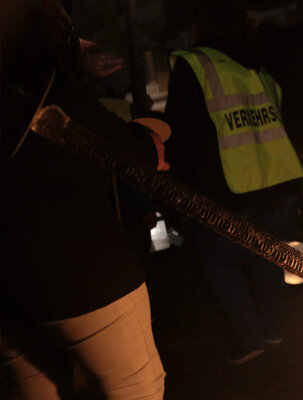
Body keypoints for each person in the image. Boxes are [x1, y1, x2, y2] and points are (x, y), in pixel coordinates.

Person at [0, 1, 167, 398]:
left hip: (9, 281)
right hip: (83, 277)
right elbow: (138, 157)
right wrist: (152, 137)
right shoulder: (49, 99)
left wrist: (71, 56)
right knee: (135, 387)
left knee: (32, 390)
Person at [163, 0, 303, 365]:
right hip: (269, 180)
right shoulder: (257, 65)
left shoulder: (195, 65)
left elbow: (182, 135)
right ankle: (273, 332)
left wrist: (181, 190)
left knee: (219, 262)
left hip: (221, 187)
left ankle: (251, 338)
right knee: (268, 258)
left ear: (201, 25)